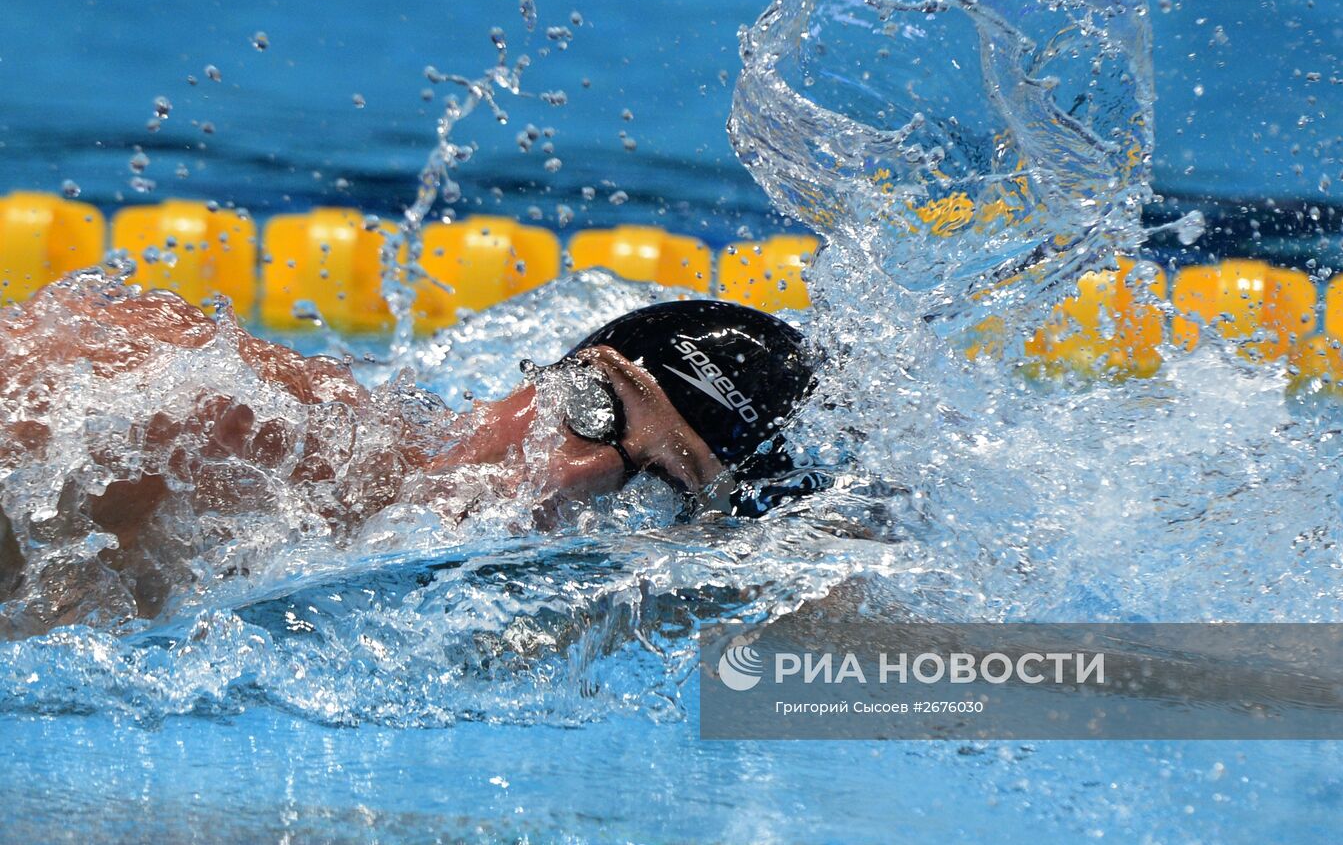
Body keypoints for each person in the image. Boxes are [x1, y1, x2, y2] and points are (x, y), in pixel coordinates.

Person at [0, 277, 815, 628]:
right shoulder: (225, 422)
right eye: (593, 407)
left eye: (663, 485)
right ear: (541, 378)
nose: (569, 472)